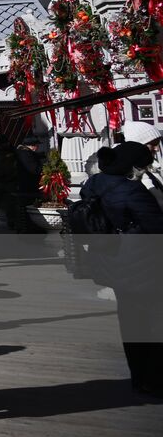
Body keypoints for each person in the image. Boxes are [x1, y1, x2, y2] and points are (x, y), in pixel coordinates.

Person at [79, 141, 163, 396]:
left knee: (131, 323)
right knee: (154, 324)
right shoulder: (132, 191)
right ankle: (155, 379)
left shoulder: (94, 184)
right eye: (144, 164)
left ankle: (139, 377)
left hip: (114, 261)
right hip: (144, 265)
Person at [119, 121, 163, 210]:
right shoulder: (130, 175)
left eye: (158, 143)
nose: (157, 149)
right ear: (138, 146)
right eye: (153, 144)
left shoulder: (149, 168)